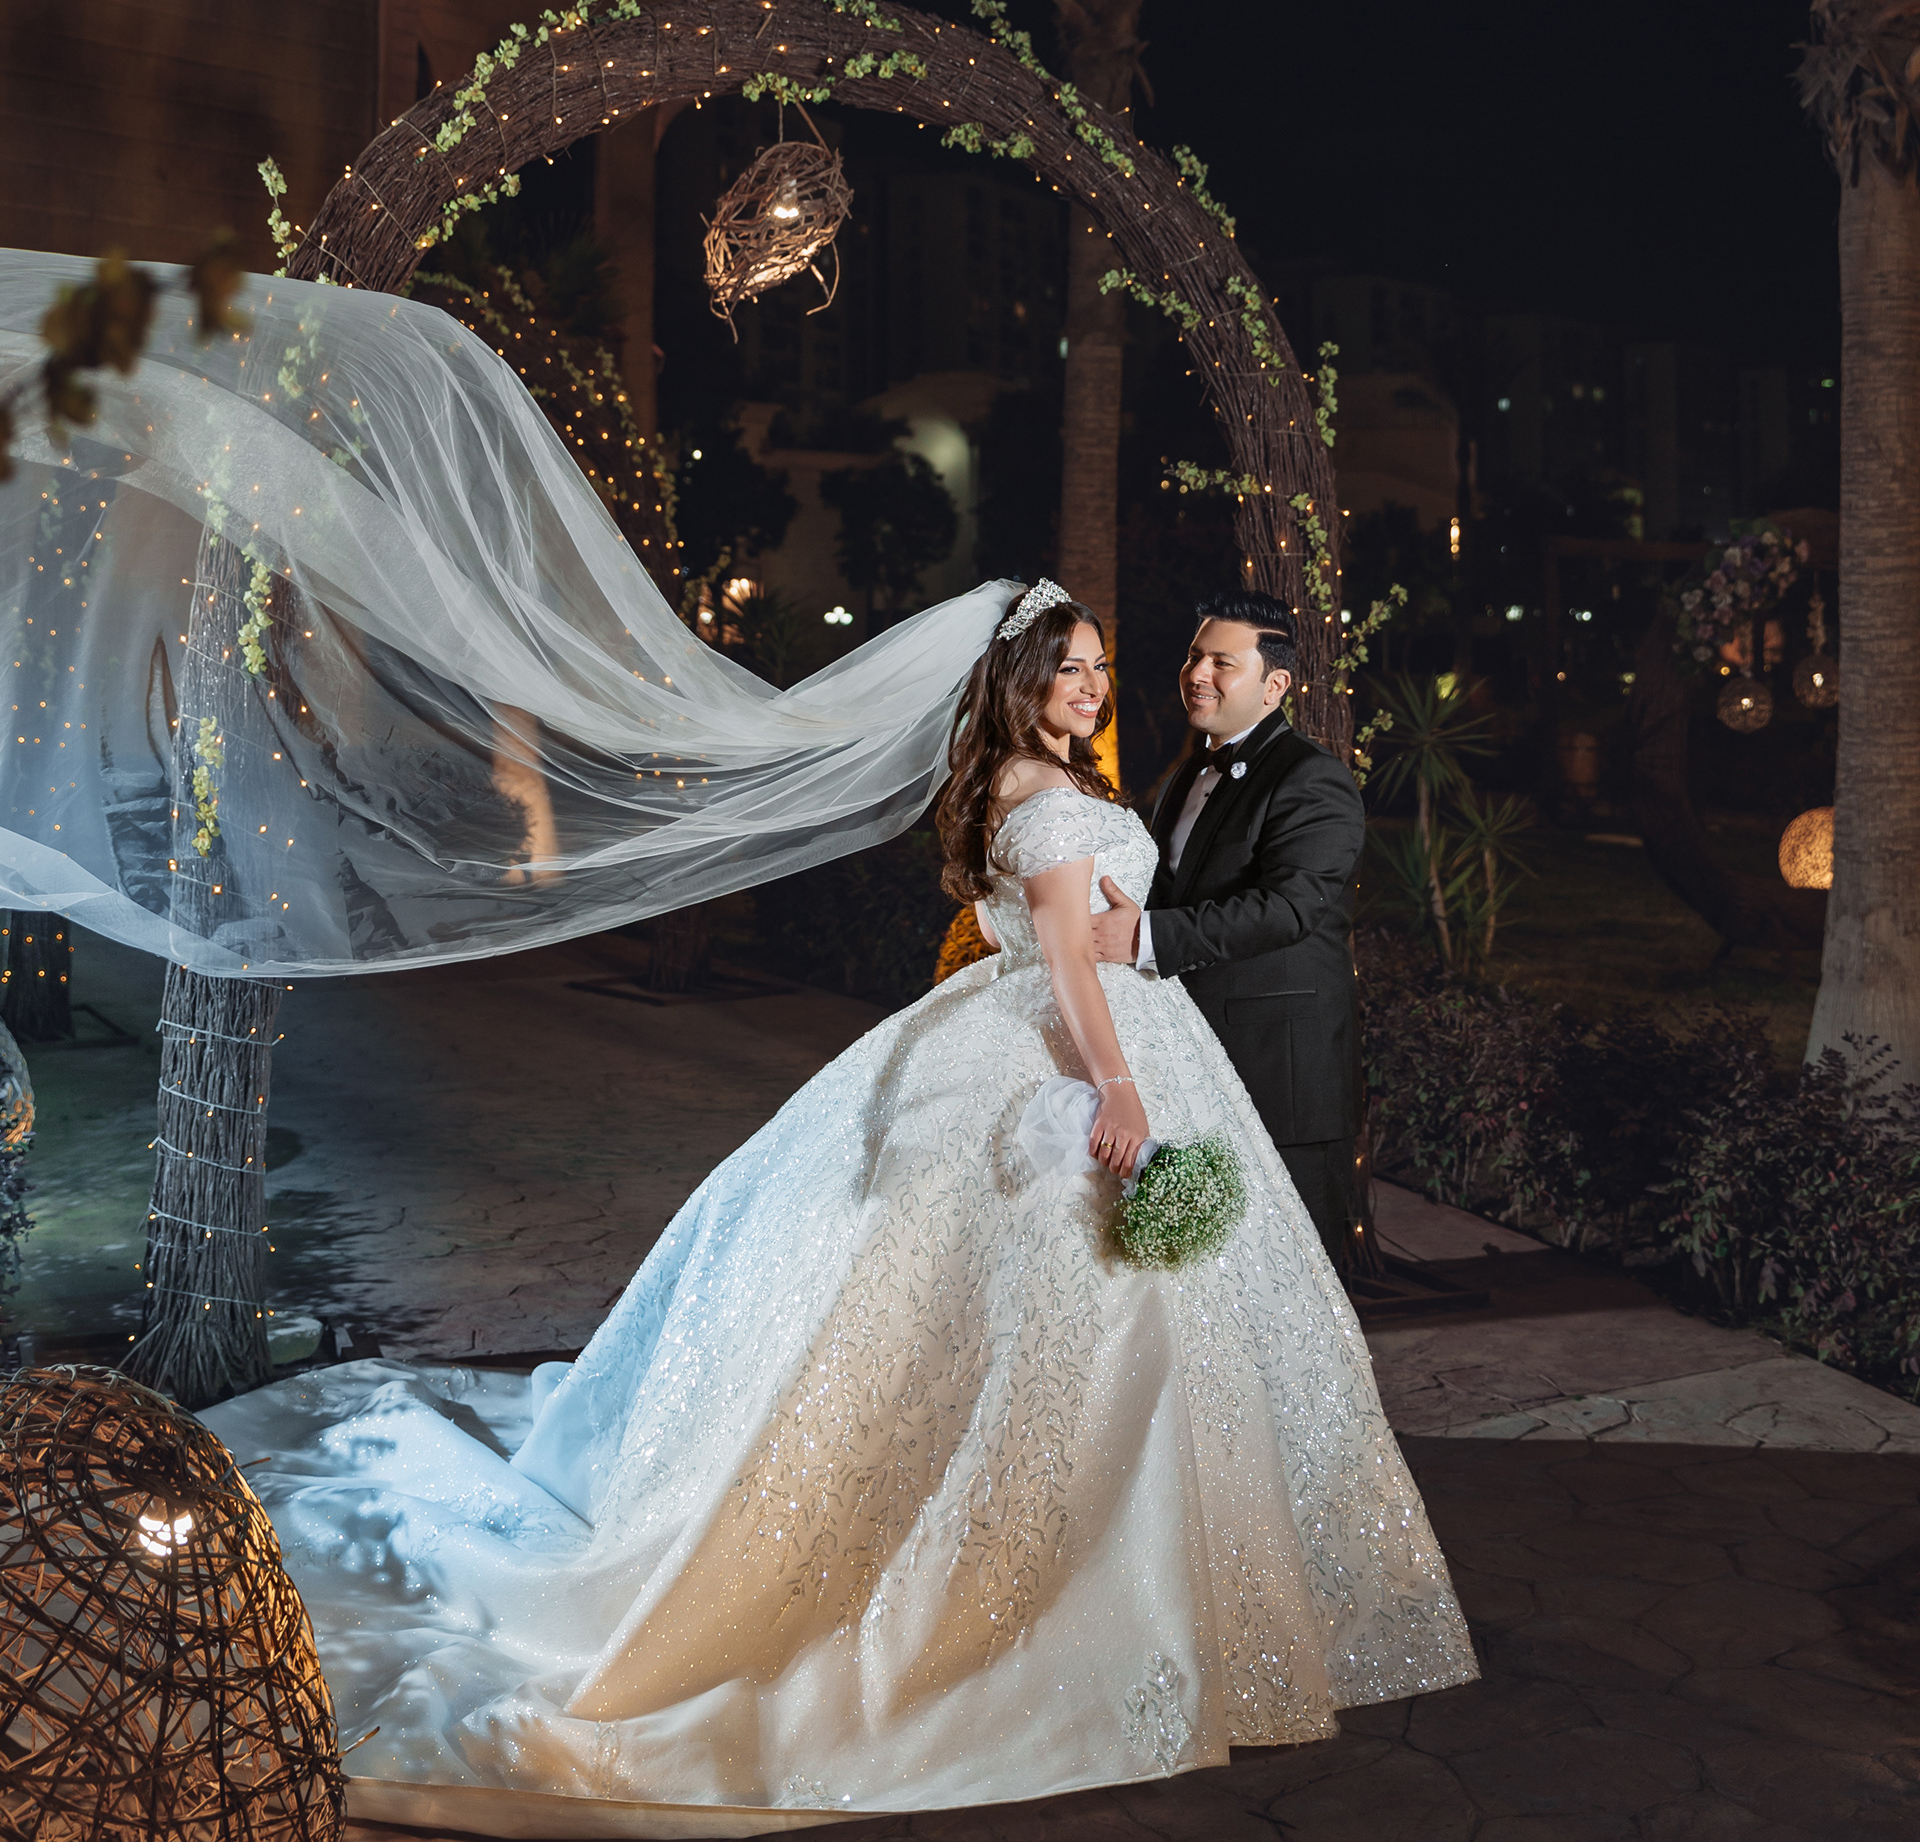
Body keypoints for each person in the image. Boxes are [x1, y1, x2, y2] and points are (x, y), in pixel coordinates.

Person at [212, 581, 1474, 1834]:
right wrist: (1121, 1088)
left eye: (1100, 665)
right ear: (1020, 681)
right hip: (1082, 1048)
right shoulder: (1041, 794)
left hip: (1079, 1028)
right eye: (1070, 668)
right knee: (1085, 1320)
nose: (1096, 686)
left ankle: (1167, 1578)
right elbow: (1070, 960)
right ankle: (1086, 1596)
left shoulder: (1041, 777)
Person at [1090, 593, 1366, 1268]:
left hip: (1283, 1074)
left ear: (1275, 684)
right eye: (1194, 656)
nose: (1197, 673)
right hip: (1196, 1062)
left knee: (1298, 1277)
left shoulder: (1313, 778)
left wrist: (1145, 938)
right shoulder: (1186, 774)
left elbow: (1289, 908)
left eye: (1222, 662)